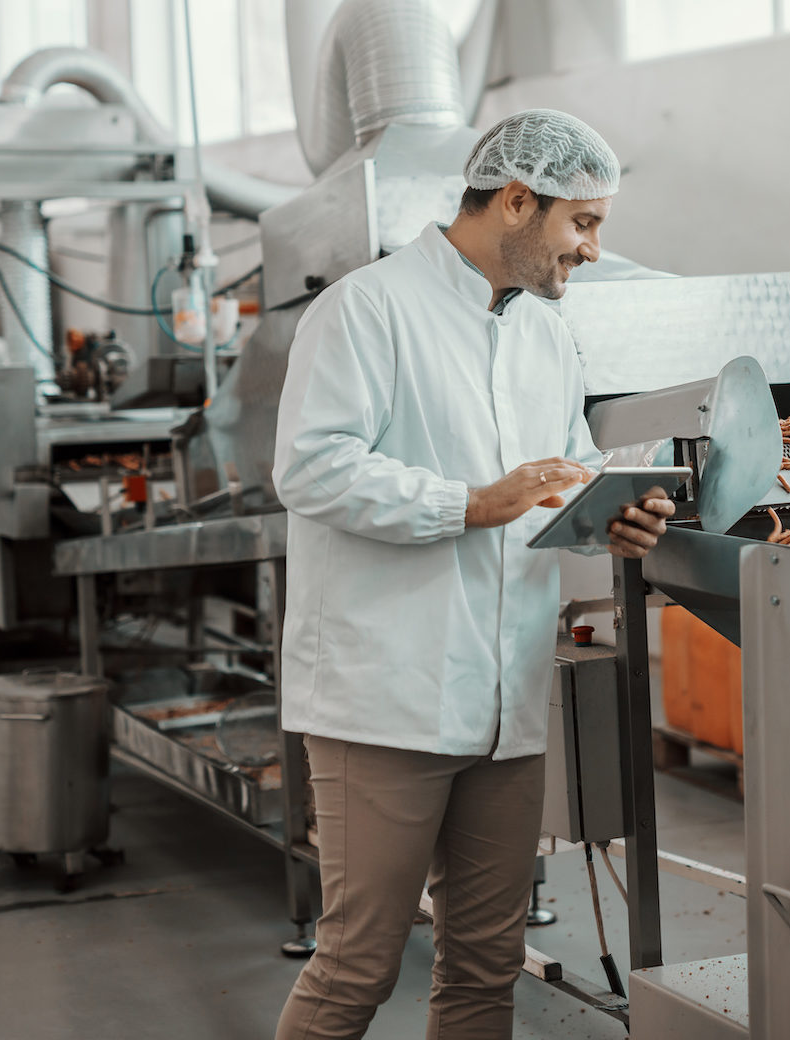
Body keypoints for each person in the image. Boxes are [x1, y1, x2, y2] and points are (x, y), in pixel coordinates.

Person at [273, 109, 675, 1040]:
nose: (595, 249)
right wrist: (472, 503)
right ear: (516, 201)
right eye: (583, 223)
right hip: (386, 697)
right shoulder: (367, 309)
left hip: (504, 701)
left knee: (485, 965)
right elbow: (311, 468)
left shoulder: (541, 335)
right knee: (357, 966)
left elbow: (559, 472)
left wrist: (603, 516)